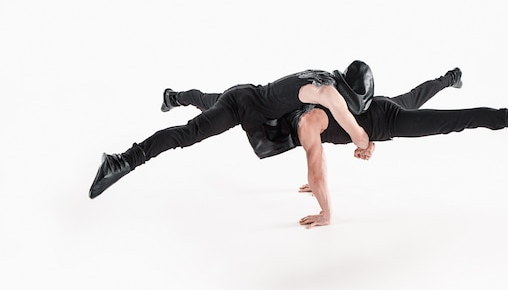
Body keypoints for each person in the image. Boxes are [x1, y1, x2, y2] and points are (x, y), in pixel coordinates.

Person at [154, 67, 508, 228]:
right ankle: (175, 97)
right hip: (374, 122)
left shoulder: (314, 118)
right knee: (215, 100)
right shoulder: (306, 112)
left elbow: (315, 159)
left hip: (385, 120)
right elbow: (312, 154)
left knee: (441, 115)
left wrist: (326, 212)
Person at [89, 61, 375, 199]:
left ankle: (173, 97)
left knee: (206, 101)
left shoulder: (322, 75)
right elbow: (356, 133)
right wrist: (365, 144)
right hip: (241, 105)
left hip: (247, 100)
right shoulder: (327, 92)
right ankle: (122, 161)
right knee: (190, 133)